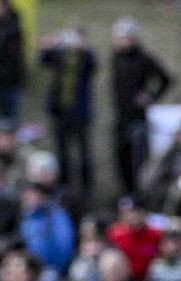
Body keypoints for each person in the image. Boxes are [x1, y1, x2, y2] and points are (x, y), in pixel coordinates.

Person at [110, 19, 172, 196]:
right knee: (120, 157)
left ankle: (139, 194)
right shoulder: (116, 57)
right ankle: (125, 192)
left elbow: (165, 79)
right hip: (120, 116)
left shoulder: (143, 58)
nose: (123, 42)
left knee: (137, 158)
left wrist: (150, 96)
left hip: (137, 118)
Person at [38, 28, 98, 196]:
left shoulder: (85, 57)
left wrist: (83, 49)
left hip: (80, 114)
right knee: (62, 152)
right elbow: (43, 61)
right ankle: (64, 187)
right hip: (60, 112)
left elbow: (93, 64)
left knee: (83, 152)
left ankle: (87, 189)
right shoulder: (60, 55)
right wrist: (48, 47)